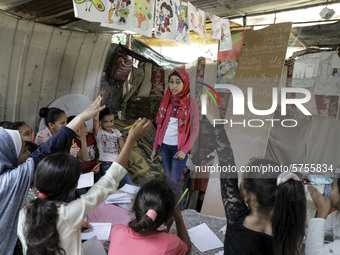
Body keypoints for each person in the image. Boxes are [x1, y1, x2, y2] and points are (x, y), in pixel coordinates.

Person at [17, 118, 151, 255]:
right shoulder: (69, 214)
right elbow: (109, 181)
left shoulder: (24, 211)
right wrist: (131, 140)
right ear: (73, 187)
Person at [0, 95, 105, 254]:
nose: (29, 153)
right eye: (23, 150)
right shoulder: (9, 181)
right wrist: (82, 116)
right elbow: (44, 151)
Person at [204, 97, 306, 255]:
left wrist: (216, 122)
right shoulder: (288, 233)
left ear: (248, 196)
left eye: (242, 185)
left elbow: (227, 168)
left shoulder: (237, 219)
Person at [108, 180, 191, 255]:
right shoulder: (171, 244)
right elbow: (187, 249)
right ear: (168, 219)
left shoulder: (116, 231)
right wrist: (178, 217)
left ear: (133, 205)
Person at [150, 68, 199, 192]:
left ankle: (178, 211)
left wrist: (185, 150)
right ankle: (169, 209)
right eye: (171, 82)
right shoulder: (167, 100)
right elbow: (160, 126)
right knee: (168, 179)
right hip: (165, 147)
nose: (174, 85)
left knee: (175, 182)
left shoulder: (191, 104)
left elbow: (195, 129)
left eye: (178, 82)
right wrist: (155, 148)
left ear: (185, 83)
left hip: (179, 149)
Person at [94, 107, 133, 186]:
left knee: (129, 185)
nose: (109, 124)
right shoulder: (99, 132)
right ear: (100, 121)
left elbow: (122, 145)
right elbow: (95, 119)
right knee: (110, 188)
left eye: (111, 121)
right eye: (106, 122)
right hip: (106, 164)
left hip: (118, 163)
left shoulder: (116, 132)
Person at [305, 177, 340, 254]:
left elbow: (314, 253)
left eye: (332, 186)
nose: (328, 190)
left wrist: (321, 212)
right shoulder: (335, 216)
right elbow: (308, 234)